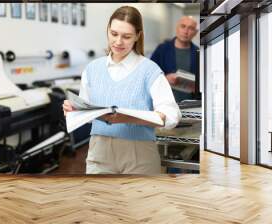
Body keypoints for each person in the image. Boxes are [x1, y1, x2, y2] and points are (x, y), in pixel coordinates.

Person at [63, 6, 181, 175]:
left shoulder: (149, 70)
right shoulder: (91, 69)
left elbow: (171, 115)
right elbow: (88, 116)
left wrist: (130, 118)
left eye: (126, 36)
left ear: (137, 36)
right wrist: (75, 110)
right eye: (114, 34)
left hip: (140, 155)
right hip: (99, 152)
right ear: (108, 31)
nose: (118, 42)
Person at [150, 16, 199, 102]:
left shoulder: (198, 53)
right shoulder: (162, 49)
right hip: (164, 102)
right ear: (177, 28)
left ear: (195, 33)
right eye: (183, 26)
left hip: (190, 105)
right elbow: (149, 75)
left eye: (190, 28)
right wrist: (165, 78)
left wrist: (198, 86)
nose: (186, 31)